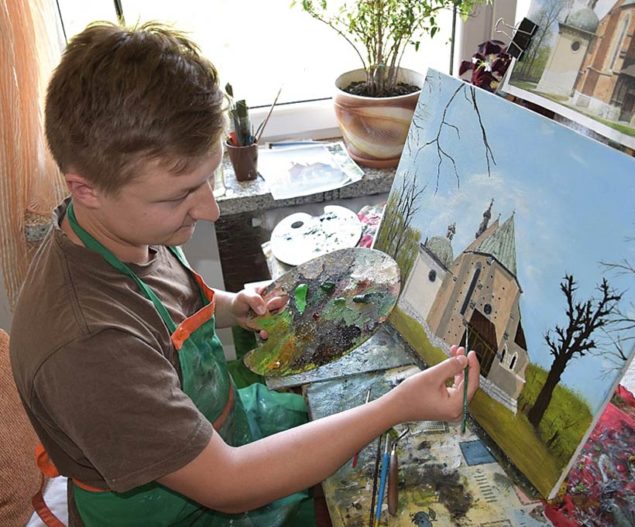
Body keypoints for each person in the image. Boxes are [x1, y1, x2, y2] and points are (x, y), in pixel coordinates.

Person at [10, 21, 480, 527]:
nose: (209, 210)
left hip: (224, 432)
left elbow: (165, 307)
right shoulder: (89, 348)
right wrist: (395, 407)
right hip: (180, 510)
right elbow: (230, 485)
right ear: (86, 189)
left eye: (207, 179)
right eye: (180, 195)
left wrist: (233, 306)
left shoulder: (119, 228)